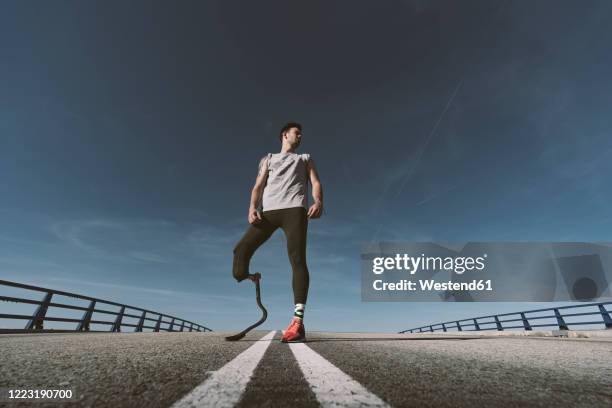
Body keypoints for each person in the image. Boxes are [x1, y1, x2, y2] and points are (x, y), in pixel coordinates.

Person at [232, 121, 323, 343]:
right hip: (268, 212)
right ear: (285, 135)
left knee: (297, 259)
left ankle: (297, 322)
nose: (300, 137)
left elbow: (315, 181)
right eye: (296, 133)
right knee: (241, 250)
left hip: (295, 211)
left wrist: (318, 200)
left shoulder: (305, 158)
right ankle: (249, 276)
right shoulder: (268, 159)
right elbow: (258, 186)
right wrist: (252, 207)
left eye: (301, 134)